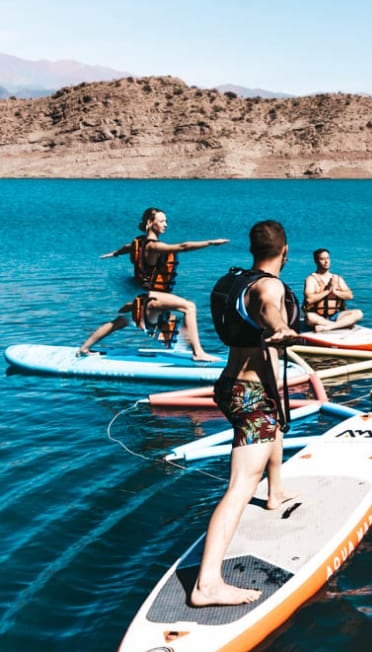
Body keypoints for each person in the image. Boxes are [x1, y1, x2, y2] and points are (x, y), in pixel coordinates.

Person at [191, 219, 304, 607]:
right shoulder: (268, 286)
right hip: (249, 394)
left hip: (234, 384)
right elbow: (269, 308)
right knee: (240, 485)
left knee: (276, 425)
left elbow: (254, 317)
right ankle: (207, 584)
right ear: (285, 252)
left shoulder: (237, 280)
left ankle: (275, 493)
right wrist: (282, 328)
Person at [79, 206, 228, 361]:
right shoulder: (153, 246)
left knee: (121, 321)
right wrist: (210, 242)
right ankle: (198, 353)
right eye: (161, 221)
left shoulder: (140, 243)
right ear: (150, 223)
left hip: (141, 297)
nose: (166, 224)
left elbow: (127, 248)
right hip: (151, 297)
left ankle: (84, 348)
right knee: (189, 307)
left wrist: (114, 254)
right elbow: (182, 247)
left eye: (166, 221)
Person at [302, 247, 364, 331]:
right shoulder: (311, 279)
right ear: (316, 261)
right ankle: (342, 325)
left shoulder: (337, 278)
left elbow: (350, 295)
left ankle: (330, 327)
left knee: (358, 313)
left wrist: (335, 291)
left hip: (336, 316)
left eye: (328, 258)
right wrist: (327, 291)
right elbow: (309, 299)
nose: (326, 261)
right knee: (309, 317)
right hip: (318, 317)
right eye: (322, 259)